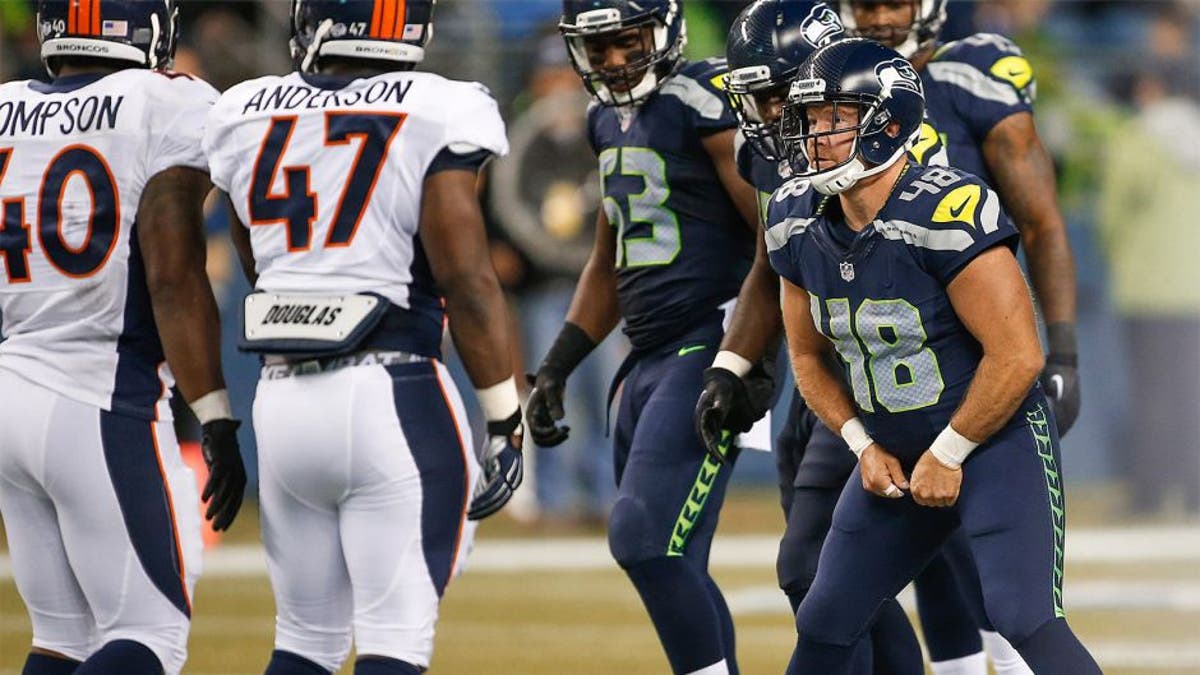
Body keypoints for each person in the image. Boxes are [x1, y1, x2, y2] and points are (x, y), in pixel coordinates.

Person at [202, 1, 524, 673]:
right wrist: (503, 415)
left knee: (304, 640)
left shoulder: (245, 109)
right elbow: (465, 278)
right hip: (391, 390)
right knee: (396, 638)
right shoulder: (441, 104)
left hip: (282, 400)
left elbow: (257, 262)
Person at [768, 37, 1101, 675]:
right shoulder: (795, 221)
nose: (814, 138)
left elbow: (1018, 354)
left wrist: (949, 453)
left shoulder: (946, 209)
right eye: (808, 122)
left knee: (1021, 614)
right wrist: (862, 444)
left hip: (994, 439)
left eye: (834, 121)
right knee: (825, 620)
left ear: (885, 122)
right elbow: (808, 359)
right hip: (893, 448)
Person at [0, 1, 247, 673]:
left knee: (61, 639)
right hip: (99, 395)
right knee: (150, 634)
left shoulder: (5, 104)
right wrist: (216, 414)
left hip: (11, 389)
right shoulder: (165, 101)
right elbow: (172, 272)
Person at [525, 1, 761, 673]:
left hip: (708, 341)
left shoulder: (701, 100)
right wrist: (558, 365)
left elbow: (778, 241)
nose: (613, 61)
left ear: (663, 30)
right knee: (678, 558)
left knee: (639, 536)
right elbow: (610, 260)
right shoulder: (605, 119)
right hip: (648, 354)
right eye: (596, 49)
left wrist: (752, 355)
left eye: (626, 42)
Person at [702, 2, 923, 673]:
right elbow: (774, 259)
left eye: (778, 95)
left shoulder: (896, 148)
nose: (766, 116)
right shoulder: (769, 156)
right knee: (821, 577)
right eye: (757, 97)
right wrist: (734, 363)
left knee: (824, 570)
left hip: (905, 385)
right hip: (824, 381)